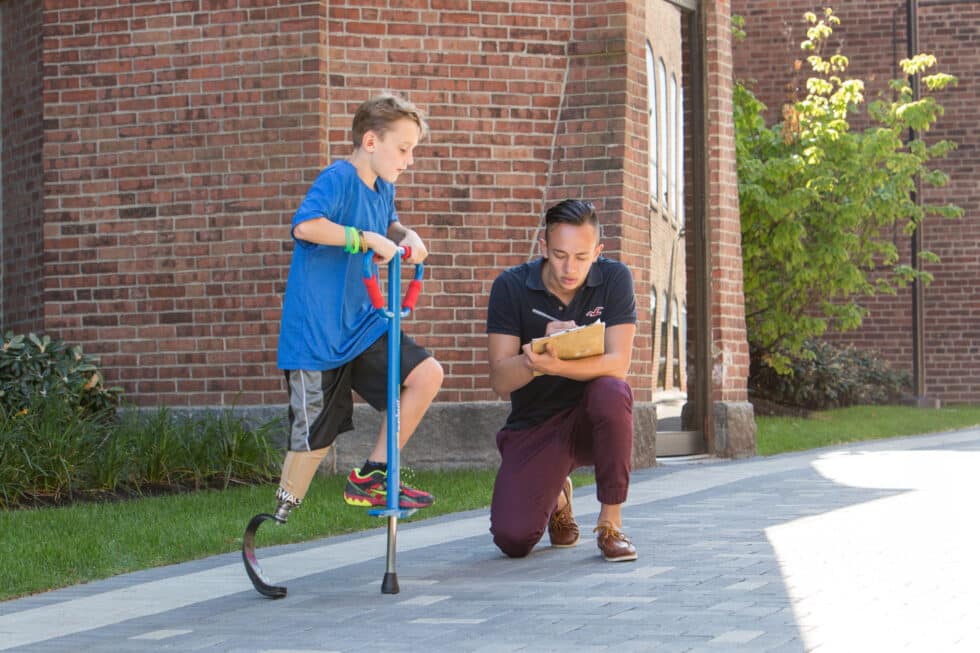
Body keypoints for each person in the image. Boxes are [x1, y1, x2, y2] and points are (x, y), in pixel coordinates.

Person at [270, 93, 444, 524]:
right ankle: (278, 517)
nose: (408, 160)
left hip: (362, 326)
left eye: (412, 151)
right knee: (314, 442)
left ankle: (373, 475)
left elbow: (387, 223)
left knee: (426, 375)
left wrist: (405, 234)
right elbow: (306, 225)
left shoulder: (383, 187)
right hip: (318, 336)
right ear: (371, 141)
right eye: (403, 149)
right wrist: (363, 240)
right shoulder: (337, 178)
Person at [485, 199, 638, 562]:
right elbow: (500, 380)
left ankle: (610, 524)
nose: (570, 268)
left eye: (582, 257)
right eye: (559, 255)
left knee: (613, 391)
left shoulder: (615, 279)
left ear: (598, 252)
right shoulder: (510, 287)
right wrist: (535, 360)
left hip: (592, 417)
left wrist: (561, 362)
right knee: (513, 539)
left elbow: (619, 363)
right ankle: (559, 497)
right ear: (543, 248)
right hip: (536, 423)